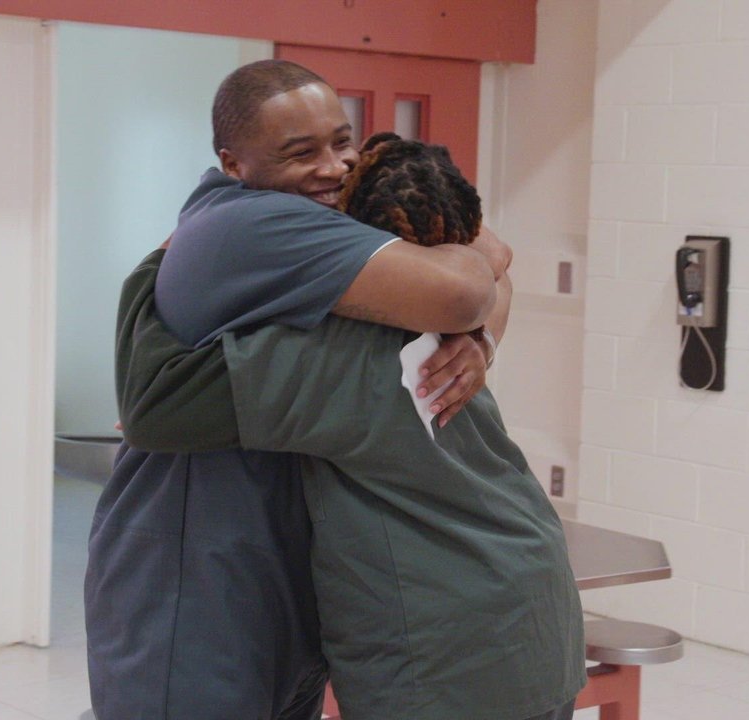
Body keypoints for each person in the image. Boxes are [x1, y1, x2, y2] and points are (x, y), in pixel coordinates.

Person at [85, 60, 506, 720]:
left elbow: (493, 256)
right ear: (234, 163)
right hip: (192, 583)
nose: (334, 168)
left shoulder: (308, 215)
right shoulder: (254, 226)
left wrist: (476, 345)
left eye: (343, 141)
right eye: (299, 152)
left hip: (276, 565)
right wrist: (474, 327)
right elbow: (468, 286)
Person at [125, 132, 586, 720]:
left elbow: (157, 405)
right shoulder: (449, 334)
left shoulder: (337, 354)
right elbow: (494, 257)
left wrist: (160, 266)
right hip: (539, 606)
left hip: (447, 660)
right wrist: (484, 331)